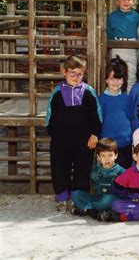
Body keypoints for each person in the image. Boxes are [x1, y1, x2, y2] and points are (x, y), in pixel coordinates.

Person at [45, 55, 102, 212]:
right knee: (60, 169)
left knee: (82, 170)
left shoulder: (88, 92)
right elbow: (50, 116)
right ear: (64, 72)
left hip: (84, 141)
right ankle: (62, 198)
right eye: (73, 74)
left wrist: (94, 134)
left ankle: (78, 198)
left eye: (80, 74)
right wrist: (54, 134)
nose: (77, 78)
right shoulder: (57, 93)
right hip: (61, 141)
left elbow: (96, 115)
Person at [102, 140, 139, 222]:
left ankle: (125, 217)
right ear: (135, 157)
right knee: (115, 205)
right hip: (130, 203)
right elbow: (115, 189)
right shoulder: (128, 173)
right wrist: (125, 195)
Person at [71, 138, 124, 218]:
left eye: (110, 155)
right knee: (76, 194)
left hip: (111, 198)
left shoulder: (121, 172)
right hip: (98, 197)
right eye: (103, 156)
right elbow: (94, 186)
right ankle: (93, 210)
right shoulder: (96, 169)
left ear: (116, 155)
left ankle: (88, 209)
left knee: (108, 201)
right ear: (98, 157)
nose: (107, 159)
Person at [98, 56, 133, 168]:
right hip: (107, 146)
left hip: (125, 144)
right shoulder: (101, 99)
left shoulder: (127, 98)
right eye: (112, 79)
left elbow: (130, 117)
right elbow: (99, 121)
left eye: (118, 79)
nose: (115, 82)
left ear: (123, 80)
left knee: (124, 175)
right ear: (106, 80)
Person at [107, 0, 139, 91]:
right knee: (116, 71)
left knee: (131, 73)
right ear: (117, 1)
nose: (126, 2)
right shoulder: (112, 16)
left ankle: (129, 96)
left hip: (131, 47)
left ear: (133, 1)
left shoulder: (136, 17)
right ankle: (116, 94)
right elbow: (109, 31)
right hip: (117, 46)